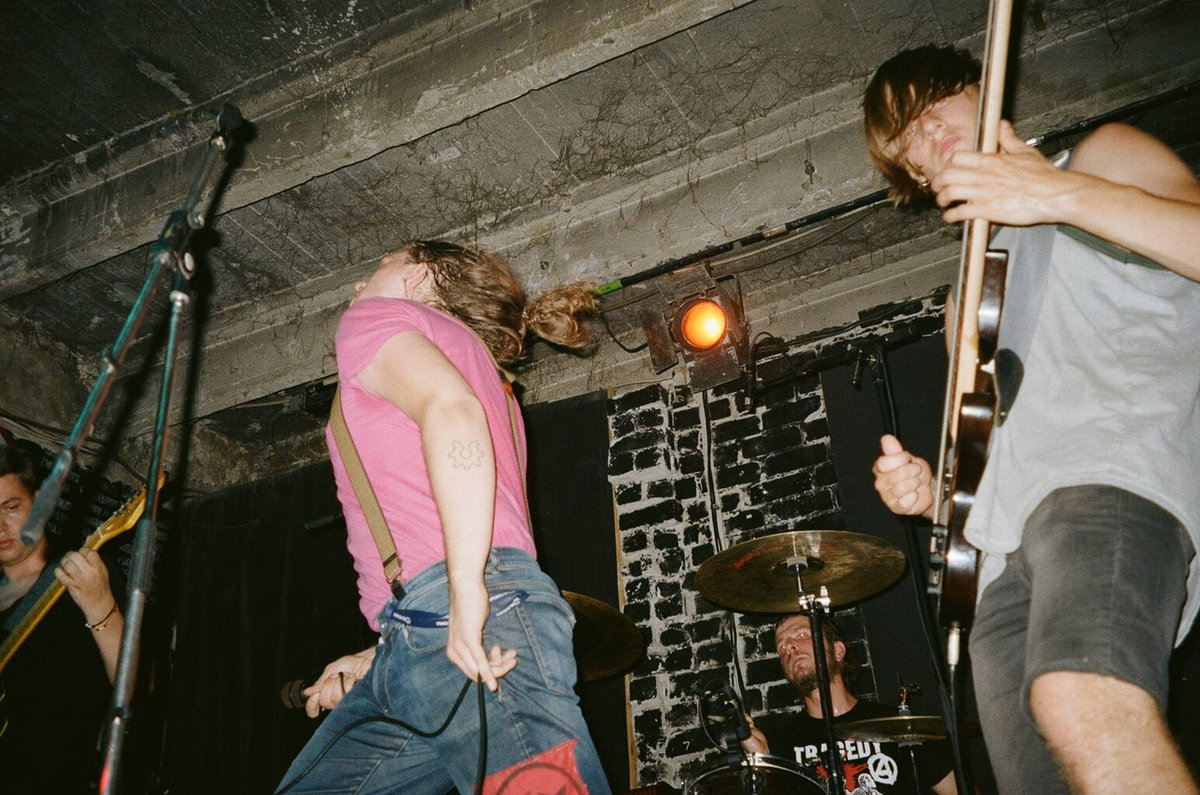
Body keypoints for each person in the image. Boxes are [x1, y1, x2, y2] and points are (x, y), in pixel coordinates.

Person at [865, 45, 1200, 794]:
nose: (928, 134)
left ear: (983, 92)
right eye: (910, 138)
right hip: (999, 559)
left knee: (1083, 700)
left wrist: (1057, 193)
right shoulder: (965, 300)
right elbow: (982, 459)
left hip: (1107, 478)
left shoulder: (1102, 156)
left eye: (936, 104)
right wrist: (930, 492)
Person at [276, 240, 611, 793]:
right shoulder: (487, 374)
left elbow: (452, 411)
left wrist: (465, 589)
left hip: (465, 605)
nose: (359, 286)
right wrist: (386, 647)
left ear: (418, 277)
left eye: (379, 265)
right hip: (424, 629)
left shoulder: (377, 317)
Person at [0, 443, 125, 793]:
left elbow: (140, 688)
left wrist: (100, 605)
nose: (0, 526)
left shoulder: (84, 575)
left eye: (11, 507)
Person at [742, 614, 956, 795]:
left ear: (837, 651)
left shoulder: (902, 727)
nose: (789, 647)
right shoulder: (780, 743)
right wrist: (762, 759)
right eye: (781, 647)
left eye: (801, 635)